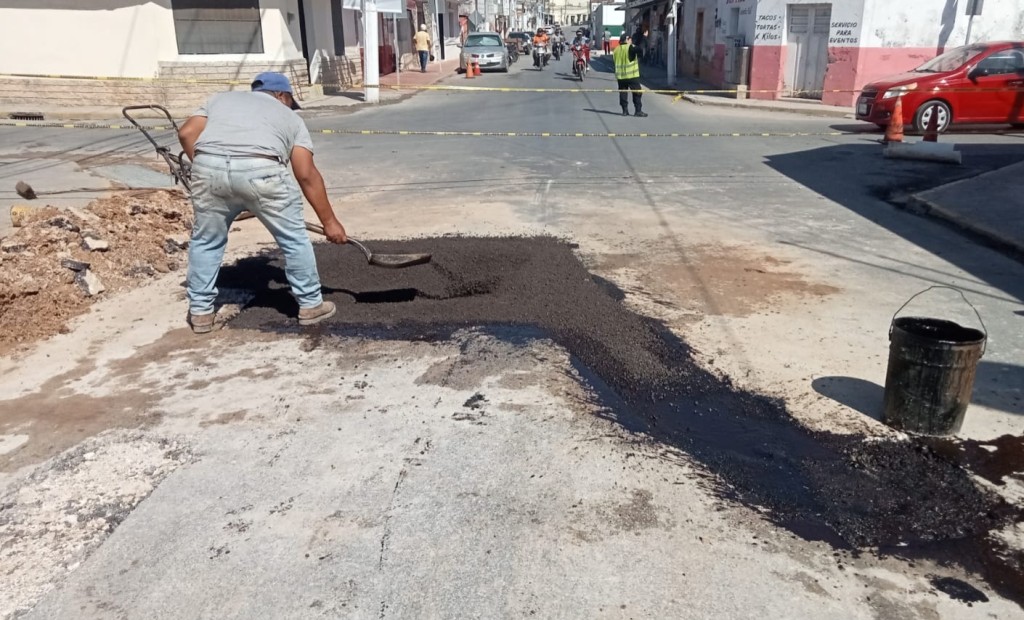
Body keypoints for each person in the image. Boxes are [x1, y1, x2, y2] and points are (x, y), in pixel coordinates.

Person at [176, 72, 348, 333]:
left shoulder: (220, 99)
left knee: (206, 241)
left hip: (208, 169)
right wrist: (330, 222)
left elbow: (187, 133)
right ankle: (311, 304)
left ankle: (200, 313)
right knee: (293, 239)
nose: (290, 107)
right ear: (281, 95)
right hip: (262, 170)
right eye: (290, 101)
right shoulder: (291, 118)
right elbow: (305, 174)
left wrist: (211, 170)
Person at [613, 33, 646, 117]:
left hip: (621, 77)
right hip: (631, 76)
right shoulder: (630, 47)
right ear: (627, 39)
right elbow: (640, 49)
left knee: (623, 93)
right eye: (630, 39)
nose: (631, 41)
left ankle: (624, 111)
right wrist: (644, 37)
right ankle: (638, 111)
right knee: (637, 93)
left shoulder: (616, 49)